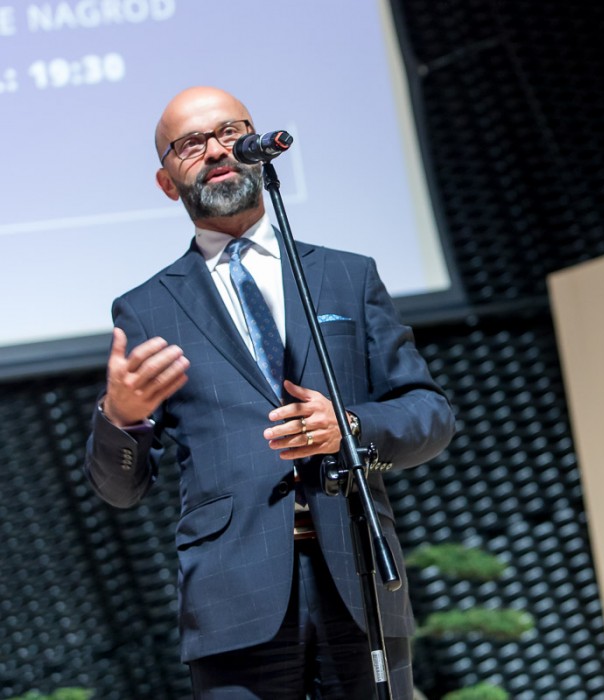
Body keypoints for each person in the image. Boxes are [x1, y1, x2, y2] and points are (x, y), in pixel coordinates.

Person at [83, 86, 456, 699]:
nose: (216, 150)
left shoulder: (345, 276)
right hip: (232, 597)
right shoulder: (147, 308)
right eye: (191, 144)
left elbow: (430, 415)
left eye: (230, 132)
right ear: (167, 183)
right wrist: (120, 418)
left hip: (358, 575)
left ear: (258, 149)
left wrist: (350, 426)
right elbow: (121, 489)